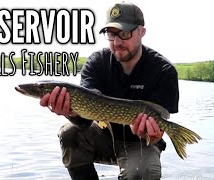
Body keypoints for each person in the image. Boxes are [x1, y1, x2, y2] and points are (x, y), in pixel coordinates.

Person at [40, 2, 179, 180]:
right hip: (103, 137)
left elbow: (158, 127)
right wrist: (71, 112)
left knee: (143, 173)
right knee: (69, 133)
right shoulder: (96, 63)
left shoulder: (164, 71)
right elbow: (84, 119)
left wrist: (154, 135)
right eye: (111, 34)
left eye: (124, 33)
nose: (117, 42)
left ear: (142, 32)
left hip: (141, 142)